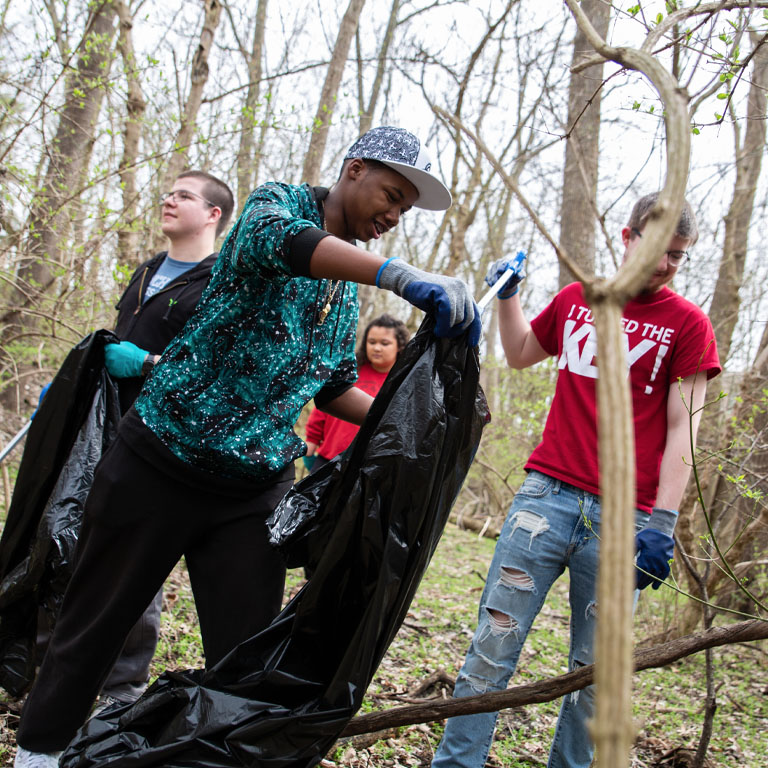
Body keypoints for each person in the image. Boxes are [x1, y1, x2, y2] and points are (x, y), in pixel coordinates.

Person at [14, 125, 481, 767]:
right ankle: (40, 751)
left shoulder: (343, 295)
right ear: (355, 171)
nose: (393, 216)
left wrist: (419, 430)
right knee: (95, 622)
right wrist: (399, 277)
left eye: (403, 210)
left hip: (252, 492)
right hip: (160, 461)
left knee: (248, 656)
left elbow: (332, 387)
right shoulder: (277, 206)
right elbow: (284, 245)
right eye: (391, 194)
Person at [432, 192, 721, 768]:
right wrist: (509, 296)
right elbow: (517, 354)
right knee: (491, 653)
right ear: (627, 236)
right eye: (657, 248)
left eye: (679, 256)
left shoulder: (689, 324)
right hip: (545, 497)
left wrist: (662, 524)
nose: (665, 264)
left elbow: (683, 432)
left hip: (626, 521)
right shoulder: (576, 300)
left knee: (594, 676)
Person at [93, 170, 234, 711]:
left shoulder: (220, 281)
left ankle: (121, 690)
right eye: (168, 192)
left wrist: (148, 364)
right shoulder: (148, 268)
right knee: (86, 549)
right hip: (110, 427)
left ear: (214, 214)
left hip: (168, 444)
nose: (168, 200)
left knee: (138, 563)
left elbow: (216, 370)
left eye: (183, 195)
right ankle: (54, 667)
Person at [304, 313, 409, 472]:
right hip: (328, 460)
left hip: (369, 468)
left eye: (385, 343)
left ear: (399, 346)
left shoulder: (403, 382)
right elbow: (324, 407)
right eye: (371, 342)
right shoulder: (351, 371)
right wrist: (311, 441)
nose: (376, 348)